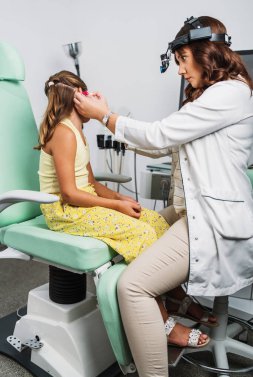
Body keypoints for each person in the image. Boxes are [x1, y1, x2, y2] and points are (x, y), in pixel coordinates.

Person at [73, 15, 253, 377]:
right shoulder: (210, 97)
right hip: (199, 210)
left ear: (207, 53)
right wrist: (109, 122)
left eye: (183, 59)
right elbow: (161, 145)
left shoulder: (231, 92)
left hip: (214, 222)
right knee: (143, 222)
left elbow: (159, 136)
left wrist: (104, 116)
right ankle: (169, 320)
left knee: (132, 286)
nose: (180, 71)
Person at [36, 70, 211, 349]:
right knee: (141, 235)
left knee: (153, 221)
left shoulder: (77, 132)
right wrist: (116, 205)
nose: (92, 99)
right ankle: (164, 324)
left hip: (80, 203)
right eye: (86, 94)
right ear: (75, 98)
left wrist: (121, 198)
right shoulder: (63, 133)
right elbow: (69, 193)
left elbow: (90, 183)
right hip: (64, 211)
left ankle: (176, 297)